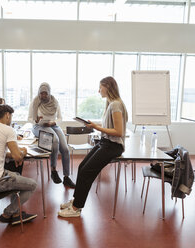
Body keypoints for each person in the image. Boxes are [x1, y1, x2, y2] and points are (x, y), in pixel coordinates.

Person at [58, 76, 128, 217]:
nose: (98, 90)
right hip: (106, 142)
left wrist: (96, 127)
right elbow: (111, 127)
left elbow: (119, 132)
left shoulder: (115, 104)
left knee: (87, 171)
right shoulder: (111, 103)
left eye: (100, 87)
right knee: (82, 167)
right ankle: (75, 201)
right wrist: (95, 126)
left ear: (107, 87)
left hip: (113, 145)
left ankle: (76, 208)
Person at [0, 104, 37, 225]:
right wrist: (22, 152)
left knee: (15, 174)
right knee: (32, 185)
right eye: (11, 117)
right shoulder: (8, 130)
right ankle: (8, 213)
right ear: (7, 115)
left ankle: (15, 212)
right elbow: (17, 156)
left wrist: (15, 153)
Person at [28, 82, 75, 188]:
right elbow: (29, 118)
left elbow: (60, 118)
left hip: (53, 125)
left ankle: (66, 177)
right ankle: (53, 170)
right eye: (41, 93)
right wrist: (36, 120)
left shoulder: (54, 102)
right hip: (39, 126)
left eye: (45, 93)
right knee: (54, 140)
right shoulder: (35, 102)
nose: (43, 96)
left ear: (49, 93)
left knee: (65, 149)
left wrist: (53, 122)